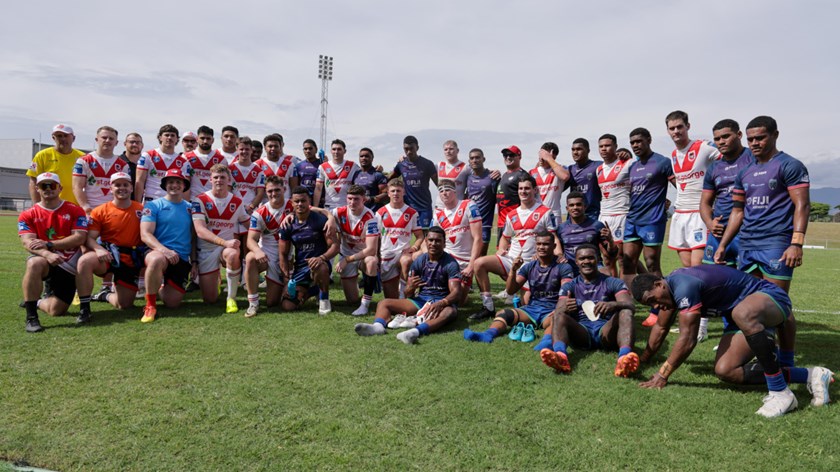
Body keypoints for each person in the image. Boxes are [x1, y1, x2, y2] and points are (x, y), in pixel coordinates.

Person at [630, 266, 833, 417]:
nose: (657, 305)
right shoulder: (670, 292)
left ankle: (780, 393)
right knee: (725, 370)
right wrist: (643, 358)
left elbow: (688, 338)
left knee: (742, 312)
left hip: (770, 299)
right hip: (743, 317)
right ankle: (812, 375)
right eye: (651, 305)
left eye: (653, 299)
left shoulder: (683, 285)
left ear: (659, 283)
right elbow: (661, 327)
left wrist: (663, 375)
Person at [715, 115, 809, 370]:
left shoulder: (789, 165)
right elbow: (737, 212)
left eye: (760, 137)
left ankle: (787, 361)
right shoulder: (744, 172)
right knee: (750, 303)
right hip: (747, 245)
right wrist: (724, 244)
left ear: (775, 135)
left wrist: (796, 243)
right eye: (751, 139)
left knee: (778, 305)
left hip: (776, 244)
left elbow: (802, 204)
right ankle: (765, 351)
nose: (755, 143)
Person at [539, 244, 639, 378]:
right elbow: (558, 311)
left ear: (597, 259)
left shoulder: (612, 282)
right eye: (582, 258)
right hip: (582, 332)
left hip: (606, 332)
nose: (586, 261)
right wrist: (566, 307)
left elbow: (631, 306)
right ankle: (561, 356)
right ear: (576, 262)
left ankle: (624, 358)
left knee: (626, 311)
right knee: (559, 314)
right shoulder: (570, 285)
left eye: (590, 258)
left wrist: (613, 305)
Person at [470, 174, 560, 320]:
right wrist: (501, 249)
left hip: (532, 264)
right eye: (520, 189)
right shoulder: (512, 214)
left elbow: (553, 237)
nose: (523, 192)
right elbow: (505, 237)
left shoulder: (545, 212)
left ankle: (517, 296)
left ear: (535, 190)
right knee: (479, 263)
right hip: (512, 260)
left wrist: (558, 256)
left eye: (527, 188)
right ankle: (488, 307)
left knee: (526, 306)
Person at [354, 227, 462, 345]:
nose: (433, 244)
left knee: (450, 313)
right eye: (430, 240)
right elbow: (407, 294)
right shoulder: (419, 261)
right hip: (421, 300)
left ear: (444, 243)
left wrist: (442, 303)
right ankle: (378, 327)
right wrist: (410, 287)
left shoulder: (451, 263)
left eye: (438, 241)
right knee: (384, 303)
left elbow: (456, 292)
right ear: (425, 241)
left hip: (442, 302)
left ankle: (414, 332)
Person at [464, 232, 573, 344]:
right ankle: (487, 335)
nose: (541, 247)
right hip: (532, 309)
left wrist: (558, 311)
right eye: (538, 244)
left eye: (545, 244)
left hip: (552, 310)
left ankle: (545, 343)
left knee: (558, 320)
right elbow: (511, 290)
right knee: (503, 313)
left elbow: (565, 293)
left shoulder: (563, 267)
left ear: (554, 247)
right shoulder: (529, 266)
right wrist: (513, 271)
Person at [18, 172, 89, 332]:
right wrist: (47, 254)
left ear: (60, 188)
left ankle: (36, 301)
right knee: (34, 263)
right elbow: (27, 241)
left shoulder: (75, 210)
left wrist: (49, 244)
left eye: (52, 185)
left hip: (69, 265)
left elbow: (79, 238)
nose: (48, 188)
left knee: (56, 311)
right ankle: (31, 318)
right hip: (46, 261)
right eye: (44, 185)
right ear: (37, 188)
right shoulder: (28, 214)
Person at [621, 127, 674, 327]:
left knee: (652, 264)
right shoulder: (632, 166)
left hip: (652, 220)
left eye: (639, 141)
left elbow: (681, 186)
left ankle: (658, 308)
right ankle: (630, 303)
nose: (635, 145)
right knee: (627, 263)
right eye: (632, 142)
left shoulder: (662, 162)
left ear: (649, 140)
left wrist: (671, 204)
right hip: (632, 219)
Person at [75, 173, 145, 321]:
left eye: (125, 184)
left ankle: (104, 295)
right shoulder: (100, 210)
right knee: (85, 261)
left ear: (132, 188)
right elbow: (90, 238)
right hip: (108, 255)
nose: (122, 188)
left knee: (124, 304)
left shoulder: (141, 209)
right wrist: (99, 249)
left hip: (129, 259)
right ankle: (84, 309)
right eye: (117, 185)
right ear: (110, 188)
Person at [192, 164, 251, 313]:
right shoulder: (200, 200)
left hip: (227, 248)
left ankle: (231, 298)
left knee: (232, 253)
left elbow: (248, 223)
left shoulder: (237, 202)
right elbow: (200, 231)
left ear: (229, 180)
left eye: (222, 177)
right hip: (207, 249)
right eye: (216, 177)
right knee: (210, 299)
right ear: (210, 180)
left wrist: (268, 228)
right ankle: (215, 281)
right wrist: (224, 242)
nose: (219, 180)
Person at [665, 111, 721, 268]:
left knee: (698, 266)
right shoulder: (674, 154)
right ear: (668, 131)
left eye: (679, 127)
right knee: (687, 267)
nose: (676, 131)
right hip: (680, 214)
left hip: (699, 213)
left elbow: (732, 156)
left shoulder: (704, 147)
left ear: (687, 126)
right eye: (672, 128)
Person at [139, 168, 194, 322]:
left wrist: (194, 262)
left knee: (172, 303)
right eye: (170, 182)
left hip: (181, 257)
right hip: (158, 252)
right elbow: (145, 234)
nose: (174, 185)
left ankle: (159, 286)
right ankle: (150, 305)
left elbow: (194, 237)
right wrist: (164, 250)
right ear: (164, 185)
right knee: (156, 260)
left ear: (184, 186)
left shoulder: (191, 208)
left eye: (178, 182)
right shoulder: (153, 206)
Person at [279, 187, 340, 314]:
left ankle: (324, 299)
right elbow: (283, 254)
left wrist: (321, 258)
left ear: (309, 201)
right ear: (291, 203)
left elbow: (335, 246)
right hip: (300, 268)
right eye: (297, 201)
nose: (300, 204)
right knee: (287, 305)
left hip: (319, 264)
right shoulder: (288, 224)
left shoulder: (320, 220)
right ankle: (311, 292)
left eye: (303, 200)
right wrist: (286, 278)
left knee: (321, 268)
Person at [700, 119, 753, 266]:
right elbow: (705, 202)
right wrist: (710, 223)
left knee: (748, 282)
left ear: (739, 135)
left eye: (726, 136)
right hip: (719, 232)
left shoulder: (753, 159)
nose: (721, 142)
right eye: (717, 139)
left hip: (746, 231)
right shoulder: (714, 168)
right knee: (711, 280)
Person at [243, 175, 295, 317]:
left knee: (272, 302)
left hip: (289, 256)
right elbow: (250, 240)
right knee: (250, 258)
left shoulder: (294, 205)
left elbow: (315, 210)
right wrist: (258, 251)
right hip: (268, 256)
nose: (274, 194)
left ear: (284, 189)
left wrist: (329, 216)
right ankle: (253, 303)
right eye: (270, 191)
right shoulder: (259, 213)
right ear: (266, 192)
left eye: (277, 190)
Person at [431, 179, 483, 305]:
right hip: (447, 260)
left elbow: (478, 238)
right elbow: (430, 239)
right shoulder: (438, 214)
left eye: (448, 190)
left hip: (465, 262)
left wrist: (471, 266)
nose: (445, 193)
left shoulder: (468, 205)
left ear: (455, 191)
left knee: (459, 302)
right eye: (441, 191)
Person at [332, 185, 381, 316]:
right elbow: (323, 214)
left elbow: (371, 250)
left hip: (362, 256)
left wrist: (346, 260)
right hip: (346, 254)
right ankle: (363, 286)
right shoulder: (338, 212)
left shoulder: (371, 217)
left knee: (371, 261)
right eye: (350, 198)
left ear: (364, 199)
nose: (352, 202)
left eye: (356, 199)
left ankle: (365, 305)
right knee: (352, 300)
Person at [376, 179, 425, 299]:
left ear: (404, 192)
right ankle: (400, 296)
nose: (395, 193)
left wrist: (413, 247)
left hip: (403, 254)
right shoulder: (380, 212)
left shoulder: (412, 213)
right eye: (392, 191)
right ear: (388, 193)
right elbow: (376, 237)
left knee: (406, 261)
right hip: (386, 255)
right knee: (391, 298)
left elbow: (420, 236)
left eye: (398, 191)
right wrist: (376, 255)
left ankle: (405, 294)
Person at [596, 134, 632, 276]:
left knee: (621, 258)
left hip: (622, 215)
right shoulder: (598, 169)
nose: (604, 149)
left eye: (607, 145)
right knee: (607, 259)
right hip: (604, 217)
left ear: (616, 147)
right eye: (601, 146)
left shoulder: (627, 163)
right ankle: (613, 291)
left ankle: (624, 293)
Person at [72, 126, 130, 216]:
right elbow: (77, 187)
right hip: (90, 210)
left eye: (111, 138)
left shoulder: (123, 165)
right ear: (97, 139)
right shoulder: (84, 161)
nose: (107, 140)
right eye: (104, 137)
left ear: (116, 142)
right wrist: (85, 207)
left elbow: (126, 190)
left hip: (113, 211)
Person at [556, 191, 615, 276]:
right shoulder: (561, 228)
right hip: (571, 268)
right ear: (567, 208)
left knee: (605, 272)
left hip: (594, 266)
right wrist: (559, 257)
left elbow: (612, 254)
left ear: (585, 206)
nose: (575, 207)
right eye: (571, 205)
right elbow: (557, 252)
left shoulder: (597, 225)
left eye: (578, 204)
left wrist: (610, 241)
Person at [27, 124, 84, 205]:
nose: (63, 139)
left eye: (66, 135)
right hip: (50, 207)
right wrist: (37, 206)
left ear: (73, 138)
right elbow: (33, 182)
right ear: (53, 138)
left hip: (76, 207)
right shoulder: (41, 156)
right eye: (59, 136)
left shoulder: (82, 157)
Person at [134, 124, 193, 203]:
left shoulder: (183, 162)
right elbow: (139, 181)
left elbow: (185, 189)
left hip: (173, 202)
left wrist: (186, 207)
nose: (169, 138)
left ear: (177, 139)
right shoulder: (148, 155)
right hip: (151, 201)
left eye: (172, 135)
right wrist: (137, 204)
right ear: (160, 137)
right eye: (166, 135)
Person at [389, 135, 438, 229]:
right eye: (406, 149)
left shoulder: (427, 164)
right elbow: (388, 179)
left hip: (424, 208)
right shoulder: (401, 165)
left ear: (417, 148)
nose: (409, 152)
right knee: (404, 235)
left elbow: (439, 185)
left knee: (426, 236)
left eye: (411, 148)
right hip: (407, 207)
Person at [463, 148, 499, 256]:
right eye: (472, 158)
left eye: (477, 157)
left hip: (484, 225)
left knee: (480, 261)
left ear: (483, 159)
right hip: (468, 225)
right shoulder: (467, 178)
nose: (475, 160)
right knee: (467, 259)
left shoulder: (492, 177)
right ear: (469, 161)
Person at [495, 145, 530, 246]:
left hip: (514, 223)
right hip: (501, 223)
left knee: (514, 256)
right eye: (505, 155)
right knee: (502, 255)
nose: (508, 157)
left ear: (519, 157)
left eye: (511, 155)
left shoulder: (522, 175)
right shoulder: (504, 175)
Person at [313, 139, 361, 211]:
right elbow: (318, 189)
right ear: (331, 151)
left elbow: (365, 172)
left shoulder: (353, 165)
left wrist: (378, 169)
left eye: (339, 149)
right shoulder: (323, 167)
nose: (336, 152)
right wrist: (315, 208)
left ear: (344, 151)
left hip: (347, 207)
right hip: (329, 207)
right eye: (334, 149)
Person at [530, 142, 570, 223]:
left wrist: (549, 159)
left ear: (553, 156)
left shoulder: (561, 169)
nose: (541, 158)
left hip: (554, 215)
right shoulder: (532, 172)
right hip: (536, 215)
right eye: (540, 154)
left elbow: (565, 176)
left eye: (544, 156)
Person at [565, 138, 602, 220]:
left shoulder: (598, 165)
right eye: (573, 150)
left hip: (592, 215)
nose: (575, 152)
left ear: (588, 150)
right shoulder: (570, 169)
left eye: (579, 149)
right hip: (574, 216)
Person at [256, 133, 299, 202]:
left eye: (276, 146)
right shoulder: (257, 164)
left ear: (280, 147)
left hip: (285, 204)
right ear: (265, 148)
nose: (273, 149)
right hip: (265, 204)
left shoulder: (290, 165)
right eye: (270, 146)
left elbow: (294, 188)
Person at [186, 125, 227, 197]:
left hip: (213, 201)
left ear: (213, 140)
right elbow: (184, 183)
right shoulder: (186, 157)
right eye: (202, 138)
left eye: (208, 138)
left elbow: (225, 184)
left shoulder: (221, 159)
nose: (205, 141)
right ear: (197, 139)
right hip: (193, 200)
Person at [229, 137, 266, 214]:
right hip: (233, 208)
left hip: (251, 211)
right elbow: (228, 190)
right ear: (237, 149)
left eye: (247, 149)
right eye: (241, 149)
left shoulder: (259, 171)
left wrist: (251, 207)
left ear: (251, 150)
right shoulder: (230, 169)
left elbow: (260, 193)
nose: (244, 152)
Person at [436, 140, 469, 207]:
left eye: (451, 149)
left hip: (457, 206)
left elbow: (479, 174)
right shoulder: (438, 165)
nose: (448, 151)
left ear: (457, 150)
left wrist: (493, 172)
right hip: (440, 206)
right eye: (446, 149)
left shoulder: (465, 167)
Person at [120, 132, 144, 200]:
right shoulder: (118, 162)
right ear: (125, 143)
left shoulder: (147, 163)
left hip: (143, 205)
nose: (135, 144)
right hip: (122, 203)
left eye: (138, 142)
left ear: (142, 145)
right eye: (132, 142)